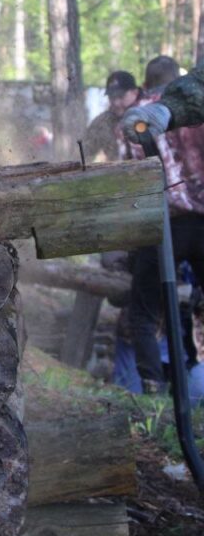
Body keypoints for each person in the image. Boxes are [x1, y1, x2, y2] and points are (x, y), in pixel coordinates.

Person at [120, 57, 204, 392]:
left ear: (146, 80)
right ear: (177, 78)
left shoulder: (137, 116)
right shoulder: (196, 108)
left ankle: (153, 387)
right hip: (201, 221)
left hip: (160, 223)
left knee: (143, 311)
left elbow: (126, 176)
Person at [83, 70, 139, 163]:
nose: (116, 103)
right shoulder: (102, 123)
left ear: (135, 92)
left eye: (121, 96)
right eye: (112, 97)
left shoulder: (151, 114)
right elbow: (84, 155)